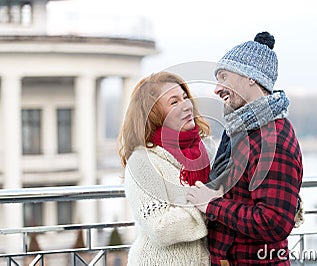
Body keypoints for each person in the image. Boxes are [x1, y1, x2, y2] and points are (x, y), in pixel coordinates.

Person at [186, 31, 304, 265]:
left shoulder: (273, 139)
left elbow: (275, 222)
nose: (217, 88)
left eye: (224, 77)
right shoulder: (244, 131)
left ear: (251, 76)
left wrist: (213, 205)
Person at [118, 71, 215, 266]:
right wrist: (208, 206)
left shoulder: (208, 148)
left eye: (185, 97)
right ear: (154, 114)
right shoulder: (142, 162)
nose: (186, 105)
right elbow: (159, 228)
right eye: (174, 102)